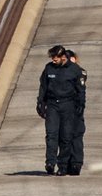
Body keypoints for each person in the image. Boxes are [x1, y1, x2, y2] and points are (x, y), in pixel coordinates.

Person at [36, 44, 88, 175]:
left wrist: (81, 104)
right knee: (51, 134)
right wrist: (40, 102)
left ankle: (63, 165)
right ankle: (50, 162)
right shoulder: (48, 69)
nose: (53, 59)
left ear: (63, 57)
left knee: (66, 136)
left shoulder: (75, 70)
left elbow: (81, 89)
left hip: (68, 105)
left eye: (56, 57)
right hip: (53, 105)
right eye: (52, 57)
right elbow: (43, 86)